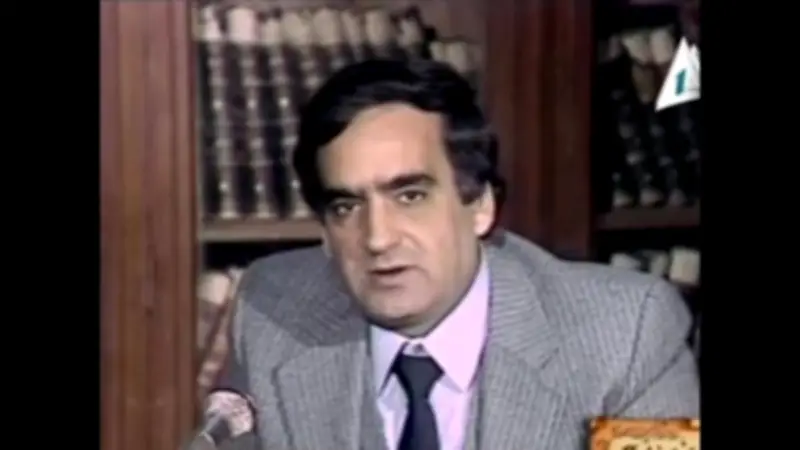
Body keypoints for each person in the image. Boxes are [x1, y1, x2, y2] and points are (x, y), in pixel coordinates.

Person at [218, 59, 699, 450]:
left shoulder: (627, 333)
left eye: (410, 196)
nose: (378, 238)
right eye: (347, 206)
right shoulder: (273, 310)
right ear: (324, 230)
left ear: (480, 206)